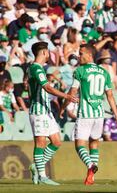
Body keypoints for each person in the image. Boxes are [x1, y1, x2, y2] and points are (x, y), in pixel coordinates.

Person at [60, 43, 117, 185]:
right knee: (94, 143)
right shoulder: (104, 72)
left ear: (89, 55)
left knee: (79, 145)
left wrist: (63, 107)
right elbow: (110, 96)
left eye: (81, 53)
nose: (79, 56)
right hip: (99, 115)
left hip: (85, 114)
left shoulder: (80, 71)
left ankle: (90, 165)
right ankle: (91, 177)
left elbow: (72, 93)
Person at [28, 42, 78, 185]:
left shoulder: (39, 69)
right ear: (44, 52)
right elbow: (47, 88)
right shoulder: (36, 68)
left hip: (46, 111)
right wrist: (66, 96)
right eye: (48, 52)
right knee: (41, 142)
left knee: (56, 142)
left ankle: (36, 166)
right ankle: (42, 176)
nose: (49, 54)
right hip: (38, 111)